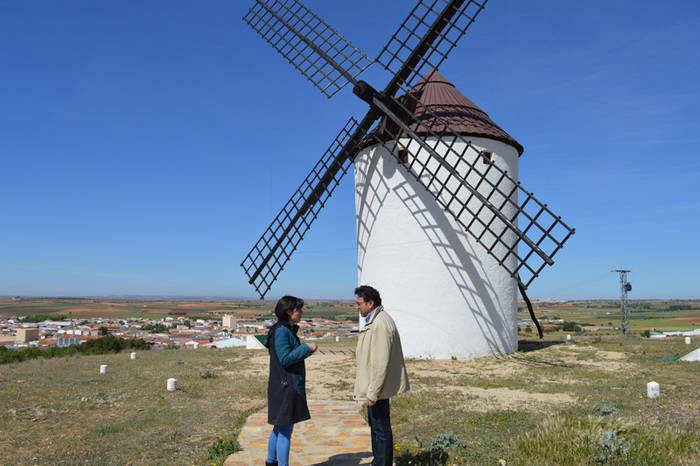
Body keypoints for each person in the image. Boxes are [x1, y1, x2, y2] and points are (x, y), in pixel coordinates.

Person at [353, 285, 410, 466]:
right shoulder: (377, 320)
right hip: (377, 387)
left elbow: (380, 363)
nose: (357, 307)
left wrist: (373, 392)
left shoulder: (380, 325)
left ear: (370, 303)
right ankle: (378, 461)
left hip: (378, 389)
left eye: (359, 303)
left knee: (381, 430)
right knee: (378, 429)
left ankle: (382, 463)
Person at [265, 295, 318, 466]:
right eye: (299, 310)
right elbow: (285, 359)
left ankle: (271, 461)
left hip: (281, 385)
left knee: (279, 427)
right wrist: (306, 348)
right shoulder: (281, 331)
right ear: (289, 312)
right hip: (285, 387)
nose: (301, 312)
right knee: (285, 430)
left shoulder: (281, 328)